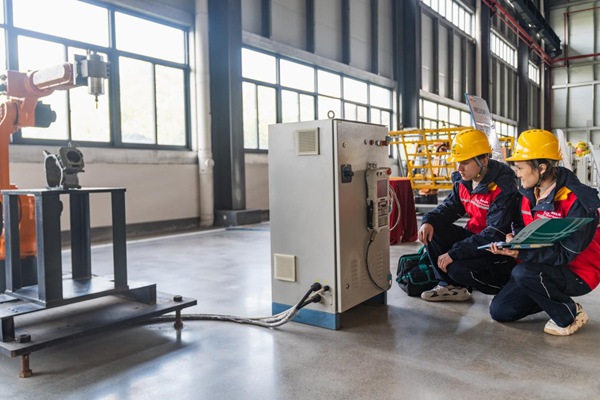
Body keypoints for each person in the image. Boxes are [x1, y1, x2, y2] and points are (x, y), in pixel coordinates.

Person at [488, 129, 600, 336]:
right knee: (500, 310)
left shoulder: (577, 201)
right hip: (542, 266)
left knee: (522, 272)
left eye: (521, 168)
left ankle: (570, 314)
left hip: (578, 271)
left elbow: (566, 253)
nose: (517, 174)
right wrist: (516, 240)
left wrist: (522, 253)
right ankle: (548, 296)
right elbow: (524, 225)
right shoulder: (528, 194)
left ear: (542, 167)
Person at [418, 128, 519, 302]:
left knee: (457, 268)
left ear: (483, 160)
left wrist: (456, 252)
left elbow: (494, 232)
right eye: (458, 162)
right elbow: (450, 207)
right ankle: (450, 286)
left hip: (495, 249)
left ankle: (504, 286)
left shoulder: (503, 187)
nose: (459, 168)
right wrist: (429, 220)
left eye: (464, 162)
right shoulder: (463, 181)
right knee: (433, 229)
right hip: (474, 238)